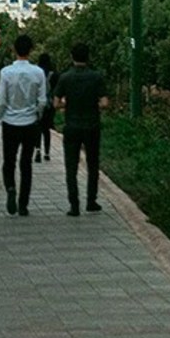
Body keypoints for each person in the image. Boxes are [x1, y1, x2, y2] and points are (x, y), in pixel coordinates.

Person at [54, 43, 110, 216]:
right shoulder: (96, 77)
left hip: (71, 126)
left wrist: (66, 104)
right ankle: (91, 201)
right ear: (88, 56)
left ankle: (74, 205)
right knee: (93, 164)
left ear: (72, 57)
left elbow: (56, 103)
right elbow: (105, 103)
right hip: (92, 125)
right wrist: (94, 105)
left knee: (71, 166)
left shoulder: (65, 78)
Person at [0, 34, 47, 216]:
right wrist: (37, 115)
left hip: (10, 122)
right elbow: (42, 101)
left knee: (9, 161)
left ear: (14, 50)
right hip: (30, 122)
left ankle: (10, 187)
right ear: (31, 50)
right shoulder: (38, 73)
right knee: (26, 163)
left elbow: (2, 100)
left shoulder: (6, 72)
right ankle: (23, 204)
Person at [34, 53, 57, 163]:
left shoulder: (36, 73)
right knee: (46, 129)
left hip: (37, 103)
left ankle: (38, 150)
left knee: (38, 128)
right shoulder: (53, 74)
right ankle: (47, 153)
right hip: (49, 105)